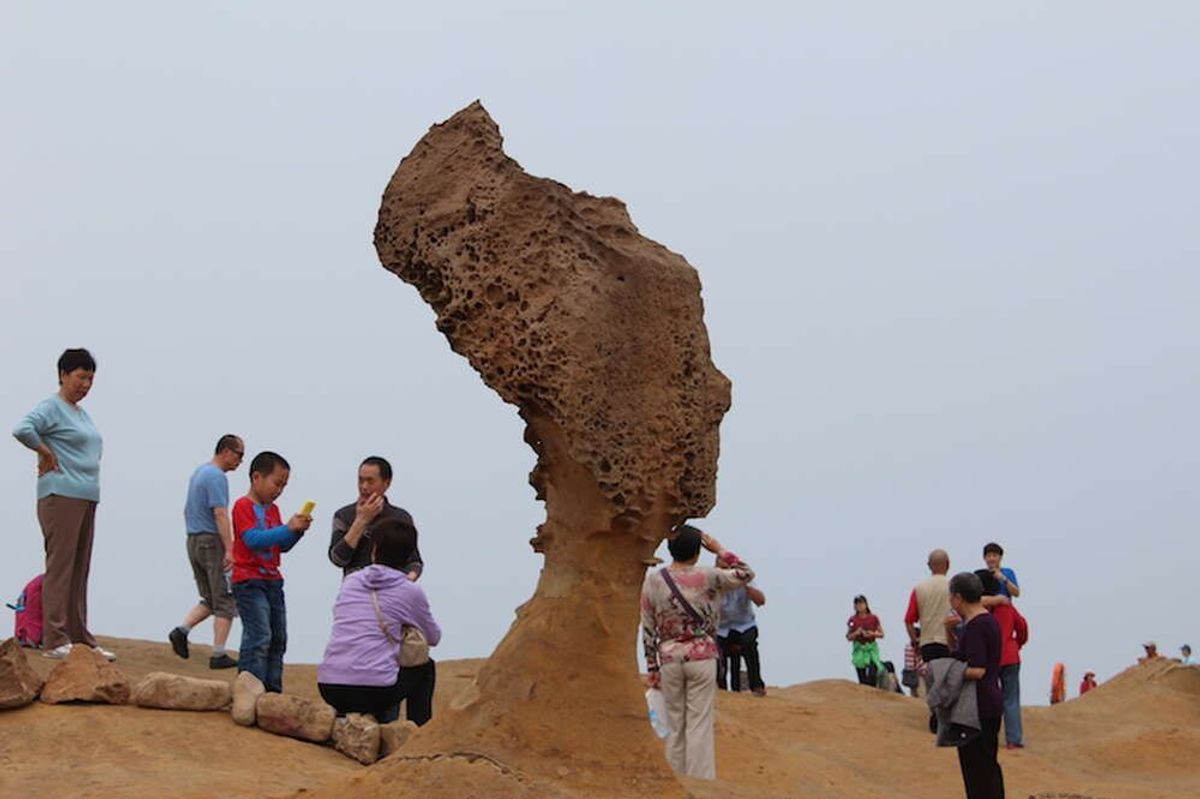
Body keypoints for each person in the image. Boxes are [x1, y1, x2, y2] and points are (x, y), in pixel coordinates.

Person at [12, 348, 115, 661]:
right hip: (61, 495)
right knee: (61, 567)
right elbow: (22, 429)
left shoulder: (80, 413)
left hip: (85, 495)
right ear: (63, 375)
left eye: (90, 379)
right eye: (81, 377)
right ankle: (55, 638)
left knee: (79, 569)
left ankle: (79, 637)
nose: (85, 384)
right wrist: (45, 452)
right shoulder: (52, 407)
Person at [641, 525, 754, 780]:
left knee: (675, 723)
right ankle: (701, 784)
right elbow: (746, 574)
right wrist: (720, 550)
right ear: (697, 552)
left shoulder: (654, 581)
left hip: (669, 658)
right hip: (702, 656)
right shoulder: (709, 576)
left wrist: (652, 668)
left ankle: (676, 780)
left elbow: (647, 628)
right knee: (699, 723)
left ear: (670, 549)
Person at [318, 517, 441, 724]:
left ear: (373, 550)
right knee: (425, 668)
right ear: (408, 556)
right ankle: (418, 735)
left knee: (380, 660)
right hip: (374, 691)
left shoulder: (351, 581)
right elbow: (433, 637)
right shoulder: (410, 591)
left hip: (330, 687)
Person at [230, 451, 311, 693]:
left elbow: (281, 545)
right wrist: (288, 528)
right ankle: (249, 688)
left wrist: (297, 531)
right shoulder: (242, 506)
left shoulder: (273, 510)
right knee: (259, 636)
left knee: (278, 637)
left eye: (284, 485)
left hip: (272, 580)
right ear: (256, 477)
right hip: (249, 580)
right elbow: (253, 539)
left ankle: (273, 691)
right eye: (277, 483)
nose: (279, 490)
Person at [168, 434, 245, 669]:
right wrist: (230, 549)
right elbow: (220, 513)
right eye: (239, 455)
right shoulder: (216, 477)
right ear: (226, 451)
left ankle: (182, 630)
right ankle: (218, 653)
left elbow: (187, 508)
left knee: (209, 597)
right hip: (211, 540)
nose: (240, 461)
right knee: (225, 598)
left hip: (193, 539)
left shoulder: (199, 472)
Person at [948, 571, 1005, 799]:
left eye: (951, 597)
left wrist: (949, 673)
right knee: (987, 767)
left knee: (977, 770)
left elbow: (977, 669)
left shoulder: (976, 626)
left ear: (959, 598)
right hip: (988, 703)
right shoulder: (987, 620)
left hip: (976, 707)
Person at [329, 456, 423, 579]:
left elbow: (414, 562)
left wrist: (406, 582)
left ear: (386, 483)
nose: (364, 486)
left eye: (370, 481)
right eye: (360, 480)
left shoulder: (401, 517)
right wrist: (361, 521)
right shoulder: (343, 515)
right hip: (356, 590)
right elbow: (338, 559)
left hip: (392, 590)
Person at [976, 569, 1028, 750]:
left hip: (992, 659)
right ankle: (1014, 739)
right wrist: (1017, 644)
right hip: (1011, 656)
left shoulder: (981, 610)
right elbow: (1022, 626)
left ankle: (989, 736)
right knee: (1011, 699)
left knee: (990, 698)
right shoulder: (1006, 606)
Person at [715, 552, 766, 696]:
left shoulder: (744, 579)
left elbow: (761, 601)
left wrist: (745, 585)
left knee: (749, 644)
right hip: (722, 629)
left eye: (729, 569)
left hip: (744, 625)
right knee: (716, 651)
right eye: (723, 570)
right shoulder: (713, 582)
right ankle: (721, 688)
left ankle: (756, 685)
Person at [846, 595, 884, 686]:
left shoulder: (873, 618)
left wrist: (872, 634)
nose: (860, 606)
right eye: (857, 603)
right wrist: (856, 633)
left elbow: (882, 634)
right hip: (859, 649)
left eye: (861, 603)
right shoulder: (852, 620)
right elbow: (848, 636)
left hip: (871, 648)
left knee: (872, 672)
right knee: (862, 678)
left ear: (866, 604)